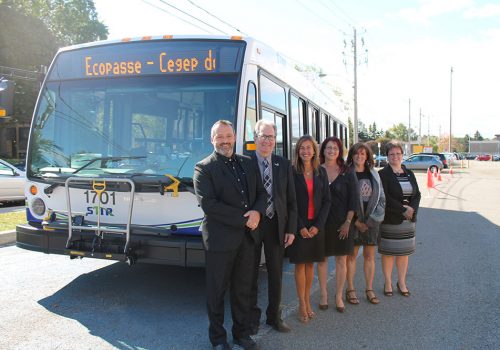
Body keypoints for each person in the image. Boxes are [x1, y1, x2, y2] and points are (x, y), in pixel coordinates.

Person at [193, 120, 267, 350]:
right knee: (216, 292)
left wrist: (258, 211)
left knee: (243, 289)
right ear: (212, 140)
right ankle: (217, 339)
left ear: (235, 136)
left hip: (247, 240)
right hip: (220, 241)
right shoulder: (203, 168)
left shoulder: (248, 162)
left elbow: (262, 193)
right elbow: (210, 205)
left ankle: (241, 334)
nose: (224, 141)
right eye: (219, 137)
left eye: (228, 136)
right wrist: (248, 219)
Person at [248, 119, 298, 334]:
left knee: (276, 274)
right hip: (252, 226)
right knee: (249, 274)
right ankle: (251, 319)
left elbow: (292, 201)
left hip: (277, 225)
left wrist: (291, 229)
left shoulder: (283, 164)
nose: (267, 141)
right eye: (263, 136)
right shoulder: (244, 162)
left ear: (274, 140)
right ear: (255, 138)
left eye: (271, 137)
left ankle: (273, 317)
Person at [287, 135, 330, 323]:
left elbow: (327, 201)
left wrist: (318, 226)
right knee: (300, 266)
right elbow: (289, 202)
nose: (305, 151)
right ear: (298, 151)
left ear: (314, 150)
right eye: (302, 148)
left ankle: (308, 302)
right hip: (299, 227)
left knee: (310, 265)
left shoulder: (321, 172)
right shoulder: (291, 172)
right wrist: (300, 227)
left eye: (309, 148)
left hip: (316, 227)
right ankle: (302, 305)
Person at [317, 137, 355, 313]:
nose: (331, 151)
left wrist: (348, 222)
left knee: (341, 260)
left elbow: (353, 200)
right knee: (322, 259)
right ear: (323, 150)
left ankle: (338, 295)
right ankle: (323, 294)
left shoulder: (347, 171)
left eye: (335, 148)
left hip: (342, 224)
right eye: (328, 148)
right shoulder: (316, 170)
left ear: (340, 151)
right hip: (321, 223)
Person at [378, 141, 421, 297]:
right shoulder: (383, 174)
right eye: (391, 154)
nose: (395, 156)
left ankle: (401, 282)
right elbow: (384, 197)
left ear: (402, 155)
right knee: (388, 253)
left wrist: (412, 210)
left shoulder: (409, 173)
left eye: (398, 153)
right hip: (391, 219)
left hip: (408, 221)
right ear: (387, 156)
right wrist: (403, 209)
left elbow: (417, 194)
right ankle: (388, 282)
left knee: (403, 254)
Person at [345, 142, 385, 305]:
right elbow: (343, 201)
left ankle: (369, 289)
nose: (359, 156)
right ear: (351, 156)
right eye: (356, 153)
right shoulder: (347, 174)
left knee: (369, 257)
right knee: (351, 257)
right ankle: (350, 289)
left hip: (371, 223)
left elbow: (382, 200)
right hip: (353, 222)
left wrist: (369, 221)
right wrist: (355, 222)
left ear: (367, 156)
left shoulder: (374, 175)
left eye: (363, 153)